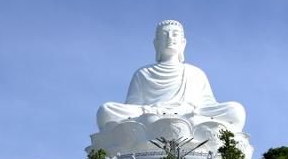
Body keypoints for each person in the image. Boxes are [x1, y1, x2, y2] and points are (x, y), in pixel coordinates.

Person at [96, 20, 246, 132]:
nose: (170, 38)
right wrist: (150, 110)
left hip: (190, 115)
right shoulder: (143, 74)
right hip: (151, 114)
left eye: (175, 35)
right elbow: (133, 107)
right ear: (156, 43)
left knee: (236, 110)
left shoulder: (195, 73)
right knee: (106, 110)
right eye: (164, 35)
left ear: (183, 43)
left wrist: (191, 111)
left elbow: (208, 105)